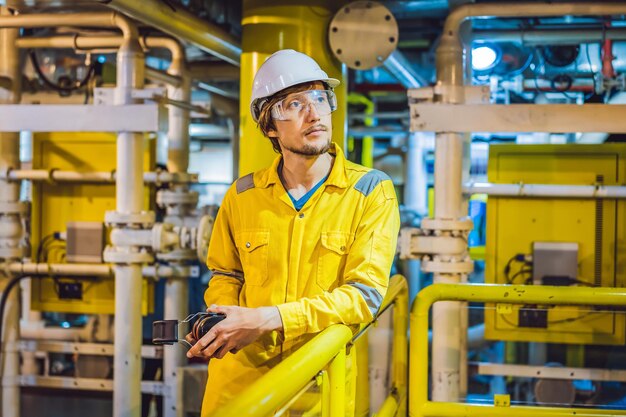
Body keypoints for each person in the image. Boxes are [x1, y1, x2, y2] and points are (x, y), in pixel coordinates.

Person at [187, 49, 400, 416]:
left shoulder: (370, 191)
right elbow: (226, 273)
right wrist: (224, 318)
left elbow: (364, 296)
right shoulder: (243, 195)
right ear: (269, 126)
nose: (314, 114)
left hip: (318, 386)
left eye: (320, 98)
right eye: (294, 104)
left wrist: (267, 319)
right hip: (239, 384)